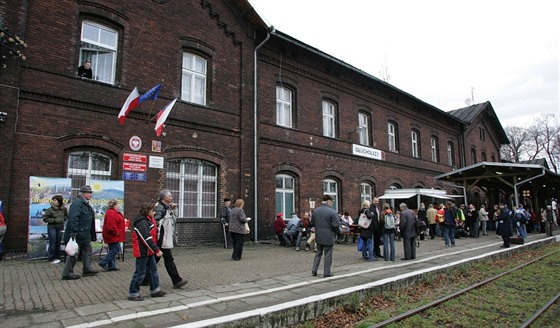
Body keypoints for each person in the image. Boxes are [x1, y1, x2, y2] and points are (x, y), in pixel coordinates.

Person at [128, 202, 165, 301]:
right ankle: (133, 292)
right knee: (140, 273)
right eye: (153, 211)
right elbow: (146, 238)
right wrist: (157, 250)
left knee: (153, 270)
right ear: (147, 211)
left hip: (149, 251)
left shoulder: (148, 220)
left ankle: (155, 289)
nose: (154, 213)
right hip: (142, 251)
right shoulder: (142, 223)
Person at [61, 185, 99, 280]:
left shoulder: (86, 205)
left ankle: (87, 269)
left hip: (85, 234)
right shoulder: (77, 204)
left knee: (87, 251)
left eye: (91, 192)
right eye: (89, 192)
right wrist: (74, 232)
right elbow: (73, 218)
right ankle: (67, 273)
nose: (91, 194)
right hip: (77, 234)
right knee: (73, 253)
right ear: (83, 193)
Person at [153, 190, 188, 288]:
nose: (172, 198)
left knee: (154, 260)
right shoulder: (160, 207)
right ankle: (177, 281)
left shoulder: (167, 207)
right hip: (162, 239)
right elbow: (156, 221)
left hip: (165, 238)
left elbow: (174, 217)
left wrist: (175, 208)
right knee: (168, 260)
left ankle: (144, 278)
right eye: (170, 196)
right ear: (165, 198)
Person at [311, 195, 339, 277]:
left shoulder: (315, 211)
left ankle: (314, 270)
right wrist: (337, 232)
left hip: (319, 235)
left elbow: (312, 223)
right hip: (329, 236)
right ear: (328, 201)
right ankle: (327, 272)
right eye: (332, 202)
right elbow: (336, 225)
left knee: (318, 253)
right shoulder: (332, 211)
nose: (332, 204)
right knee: (328, 254)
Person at [99, 199, 125, 271]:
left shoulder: (113, 212)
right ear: (114, 205)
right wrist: (116, 232)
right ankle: (103, 262)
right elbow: (111, 225)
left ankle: (112, 266)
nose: (118, 206)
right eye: (117, 205)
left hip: (112, 235)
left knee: (112, 249)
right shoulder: (111, 213)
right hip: (112, 235)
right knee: (116, 249)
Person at [42, 195, 67, 264]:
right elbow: (45, 218)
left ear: (59, 201)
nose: (54, 202)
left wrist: (62, 219)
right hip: (52, 227)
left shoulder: (64, 209)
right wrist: (54, 220)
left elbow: (66, 216)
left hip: (60, 226)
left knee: (58, 242)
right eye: (53, 200)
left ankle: (57, 256)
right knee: (53, 242)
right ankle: (51, 258)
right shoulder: (49, 209)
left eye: (55, 200)